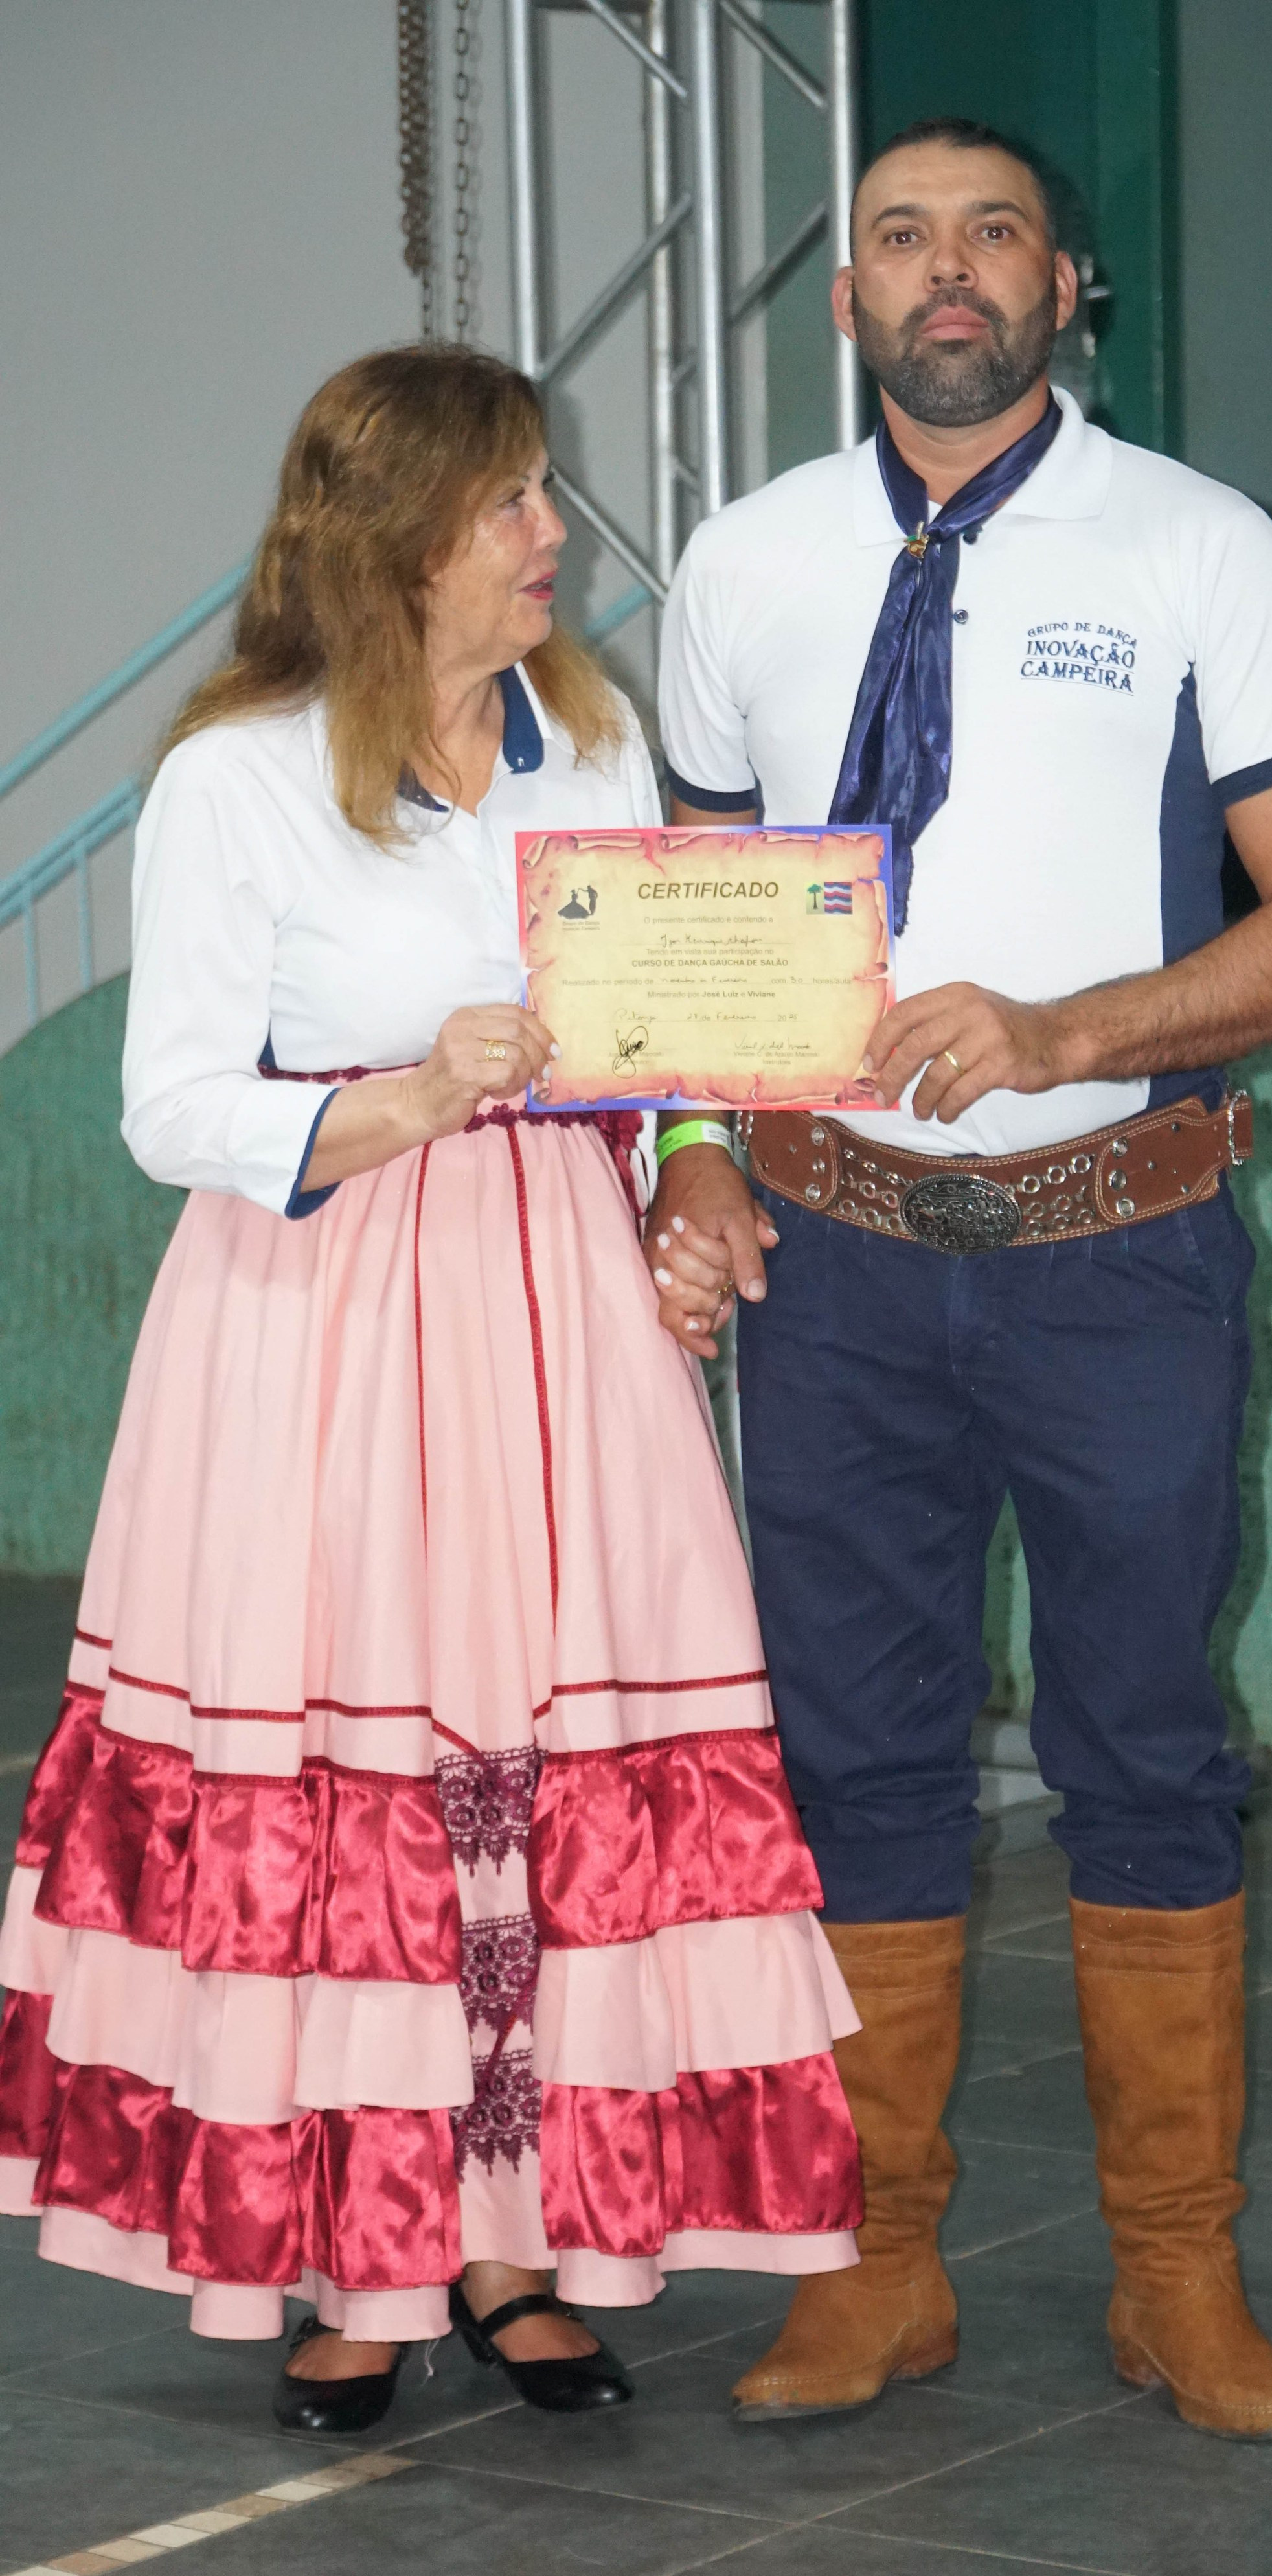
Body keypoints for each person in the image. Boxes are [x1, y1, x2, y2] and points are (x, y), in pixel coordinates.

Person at [0, 345, 863, 2436]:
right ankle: (357, 2262)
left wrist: (691, 1168)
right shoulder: (242, 773)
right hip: (327, 1313)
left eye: (540, 496)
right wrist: (395, 1102)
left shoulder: (590, 743)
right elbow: (168, 1105)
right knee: (358, 1781)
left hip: (554, 1316)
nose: (551, 536)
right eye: (509, 505)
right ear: (388, 545)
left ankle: (516, 2246)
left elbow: (663, 1049)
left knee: (551, 1754)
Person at [649, 119, 1272, 2439]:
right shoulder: (742, 563)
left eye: (990, 235)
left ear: (1067, 287)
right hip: (837, 1281)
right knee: (855, 1756)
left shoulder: (1199, 546)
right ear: (841, 290)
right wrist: (687, 1152)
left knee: (1145, 1754)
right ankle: (879, 2270)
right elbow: (683, 929)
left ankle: (1178, 2279)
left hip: (1118, 1262)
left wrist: (1069, 1029)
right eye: (898, 236)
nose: (942, 271)